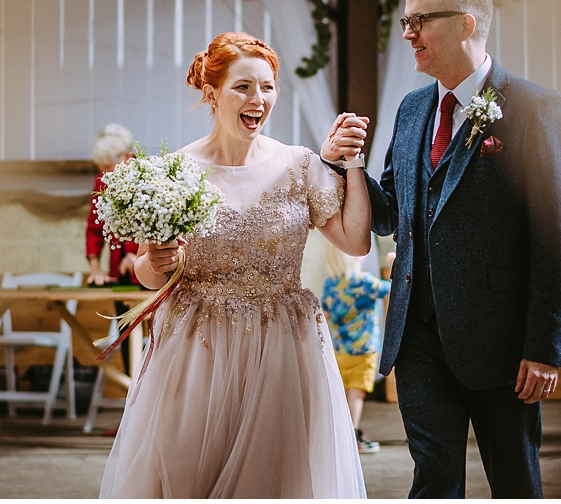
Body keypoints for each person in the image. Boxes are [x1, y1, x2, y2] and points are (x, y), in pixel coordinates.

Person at [322, 0, 561, 498]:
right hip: (417, 338)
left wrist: (546, 345)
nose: (407, 34)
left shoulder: (535, 110)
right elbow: (392, 212)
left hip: (504, 343)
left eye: (419, 20)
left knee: (514, 480)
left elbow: (559, 234)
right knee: (433, 478)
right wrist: (343, 165)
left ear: (466, 24)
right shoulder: (414, 108)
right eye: (405, 21)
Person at [99, 32, 371, 498]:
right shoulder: (173, 171)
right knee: (189, 475)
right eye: (243, 87)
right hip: (197, 346)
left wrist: (352, 164)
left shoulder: (300, 165)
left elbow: (356, 240)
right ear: (212, 93)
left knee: (279, 478)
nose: (258, 100)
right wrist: (159, 261)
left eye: (267, 87)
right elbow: (146, 272)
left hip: (284, 344)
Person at [322, 245, 395, 454]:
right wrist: (393, 264)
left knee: (344, 395)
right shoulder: (365, 282)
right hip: (364, 350)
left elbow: (324, 312)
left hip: (340, 350)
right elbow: (393, 288)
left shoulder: (331, 285)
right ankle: (352, 437)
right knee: (356, 396)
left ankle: (341, 436)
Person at [86, 123, 140, 288]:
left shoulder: (149, 178)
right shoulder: (102, 182)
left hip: (150, 272)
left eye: (108, 167)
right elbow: (94, 228)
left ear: (127, 156)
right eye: (100, 167)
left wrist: (137, 256)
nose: (103, 173)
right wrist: (95, 269)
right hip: (118, 271)